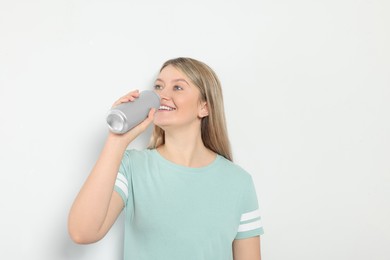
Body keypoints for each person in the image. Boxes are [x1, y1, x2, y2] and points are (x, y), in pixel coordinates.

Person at [68, 57, 264, 260]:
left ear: (204, 107)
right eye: (158, 87)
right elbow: (82, 232)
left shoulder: (238, 182)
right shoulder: (131, 167)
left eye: (178, 87)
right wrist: (116, 141)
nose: (162, 95)